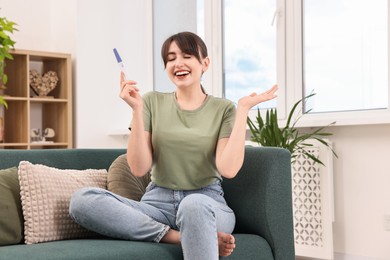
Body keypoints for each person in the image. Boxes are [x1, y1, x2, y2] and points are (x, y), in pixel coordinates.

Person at [69, 31, 278, 259]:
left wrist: (243, 111)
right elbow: (139, 168)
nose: (178, 63)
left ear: (205, 63)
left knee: (193, 205)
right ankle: (177, 236)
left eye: (187, 55)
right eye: (170, 58)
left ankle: (194, 229)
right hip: (156, 204)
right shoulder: (149, 102)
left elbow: (228, 169)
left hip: (207, 202)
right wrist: (137, 111)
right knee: (82, 200)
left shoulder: (224, 109)